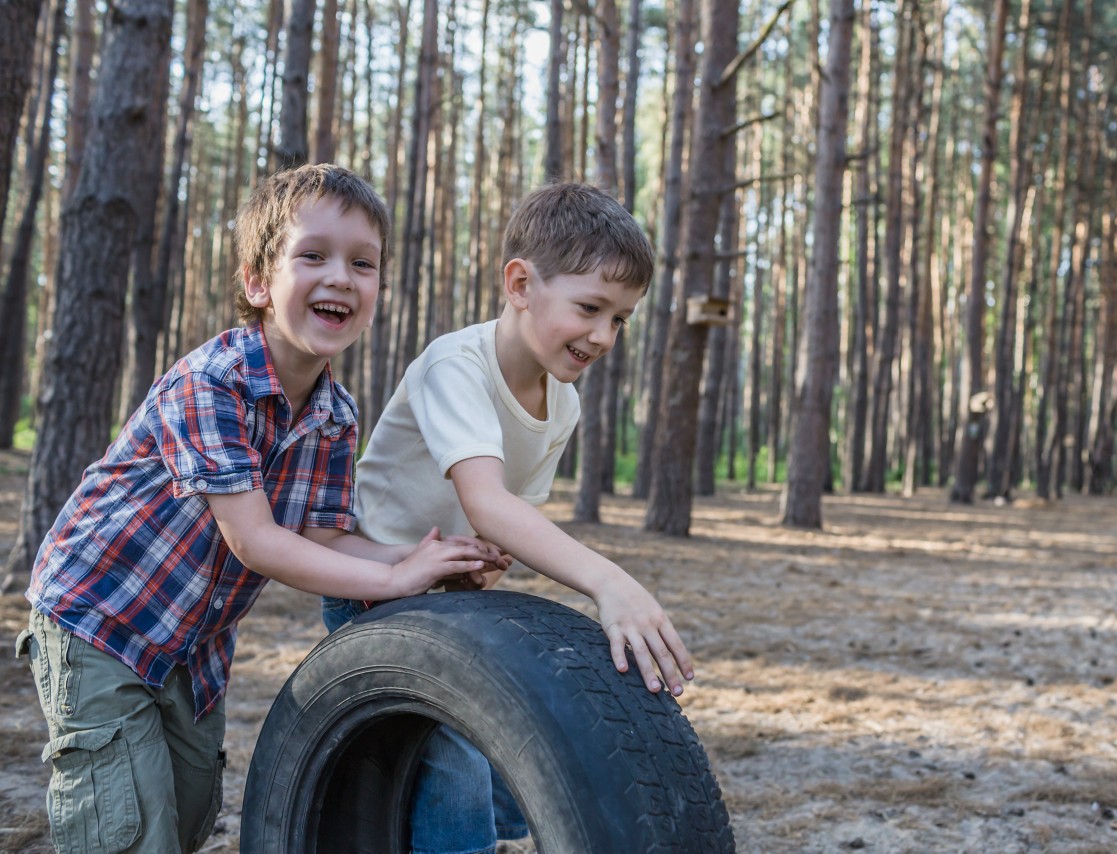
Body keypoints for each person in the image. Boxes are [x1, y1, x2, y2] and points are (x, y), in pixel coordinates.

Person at [16, 164, 504, 854]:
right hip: (100, 621)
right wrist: (393, 582)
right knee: (124, 828)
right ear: (256, 283)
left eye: (363, 264)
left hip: (191, 647)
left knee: (186, 814)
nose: (340, 276)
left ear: (377, 292)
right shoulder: (211, 383)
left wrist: (423, 560)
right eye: (313, 255)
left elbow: (324, 539)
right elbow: (255, 540)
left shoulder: (336, 414)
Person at [323, 181, 695, 854]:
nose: (604, 336)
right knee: (454, 767)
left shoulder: (565, 404)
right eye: (590, 308)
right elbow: (484, 501)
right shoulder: (455, 365)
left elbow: (506, 516)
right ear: (520, 284)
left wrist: (487, 563)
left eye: (621, 318)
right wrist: (607, 580)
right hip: (374, 580)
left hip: (444, 590)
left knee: (499, 767)